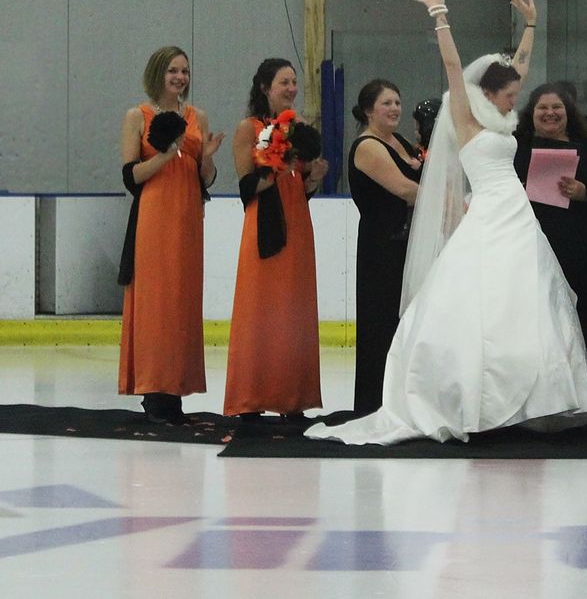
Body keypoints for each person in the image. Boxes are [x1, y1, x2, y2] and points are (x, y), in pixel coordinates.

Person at [305, 0, 587, 445]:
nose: (515, 99)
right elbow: (454, 66)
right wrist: (441, 16)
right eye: (510, 94)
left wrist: (532, 25)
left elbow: (518, 64)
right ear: (491, 92)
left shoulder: (502, 118)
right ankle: (472, 399)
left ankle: (530, 400)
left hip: (517, 216)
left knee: (527, 302)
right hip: (487, 213)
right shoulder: (465, 115)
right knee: (477, 302)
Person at [118, 46, 223, 424]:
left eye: (185, 71)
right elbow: (131, 177)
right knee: (155, 301)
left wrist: (206, 155)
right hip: (154, 215)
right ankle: (153, 390)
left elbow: (205, 178)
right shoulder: (137, 116)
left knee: (182, 301)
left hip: (188, 216)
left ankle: (176, 388)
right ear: (158, 74)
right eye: (173, 71)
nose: (180, 77)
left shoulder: (199, 116)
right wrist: (166, 154)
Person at [223, 58, 328, 421]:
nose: (292, 88)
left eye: (295, 81)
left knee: (293, 311)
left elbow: (302, 185)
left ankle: (292, 399)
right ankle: (251, 399)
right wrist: (278, 164)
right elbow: (248, 187)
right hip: (263, 223)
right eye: (284, 82)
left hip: (297, 220)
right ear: (265, 87)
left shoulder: (298, 126)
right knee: (260, 309)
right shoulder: (247, 128)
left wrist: (313, 177)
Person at [513, 83, 587, 381]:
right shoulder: (516, 148)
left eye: (557, 108)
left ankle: (585, 398)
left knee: (583, 323)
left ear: (569, 112)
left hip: (584, 253)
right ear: (531, 113)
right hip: (531, 252)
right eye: (543, 108)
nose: (550, 113)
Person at [349, 79, 421, 414]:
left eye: (397, 102)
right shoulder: (368, 146)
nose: (394, 109)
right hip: (382, 246)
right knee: (381, 323)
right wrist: (448, 200)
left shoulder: (397, 140)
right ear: (368, 110)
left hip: (405, 243)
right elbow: (405, 189)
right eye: (386, 103)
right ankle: (375, 404)